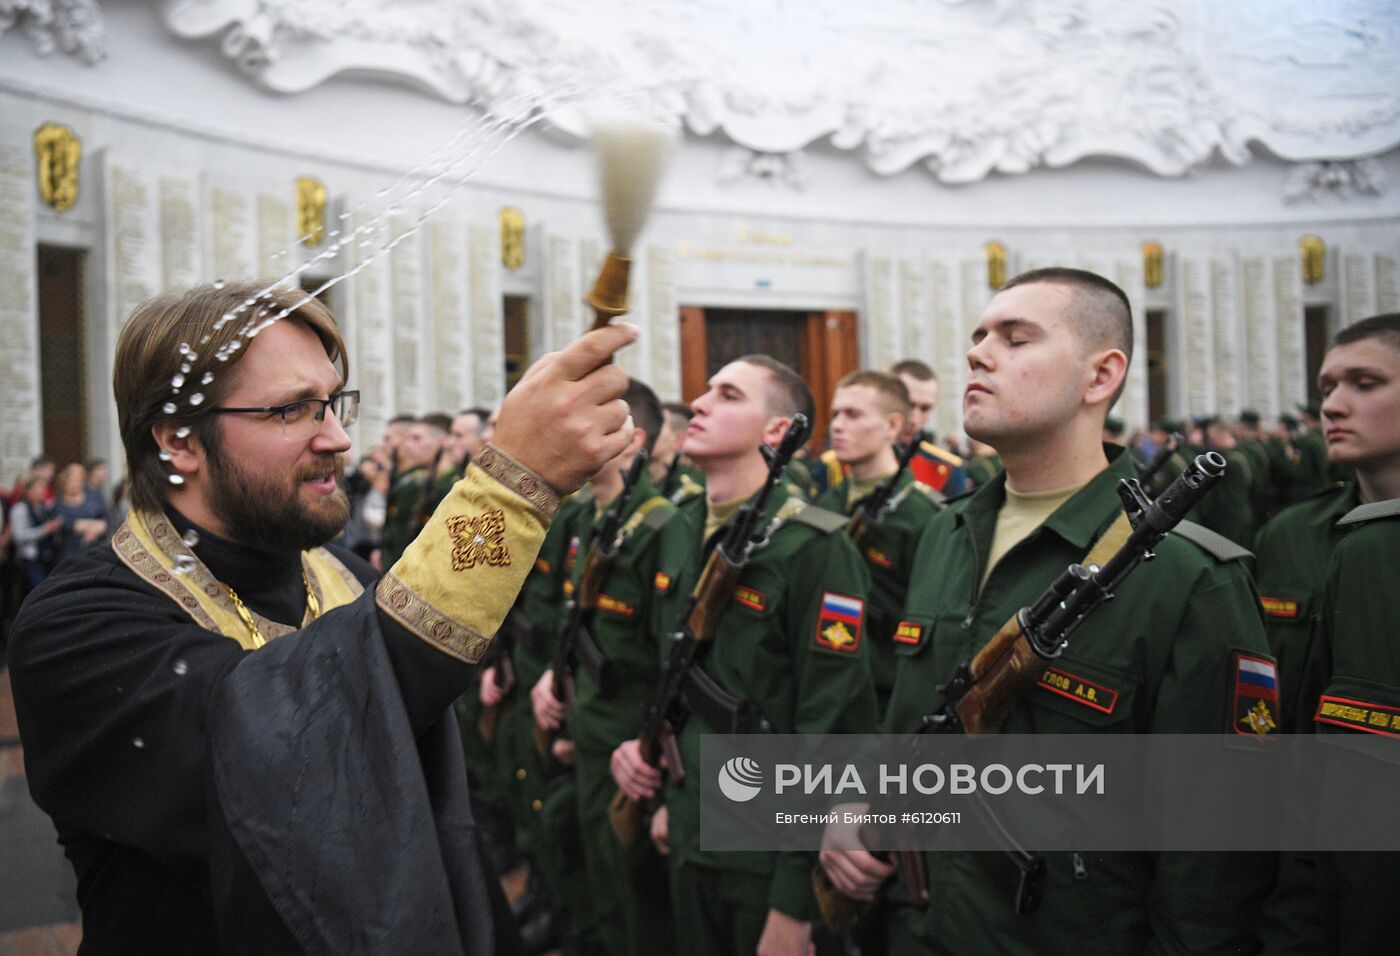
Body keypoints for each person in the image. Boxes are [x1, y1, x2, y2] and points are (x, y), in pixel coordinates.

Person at [8, 280, 637, 954]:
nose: (338, 438)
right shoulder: (77, 627)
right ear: (179, 440)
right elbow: (286, 758)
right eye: (293, 411)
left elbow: (434, 827)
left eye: (335, 404)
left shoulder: (351, 579)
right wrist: (509, 487)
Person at [821, 267, 1276, 954]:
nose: (978, 353)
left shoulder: (1189, 578)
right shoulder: (946, 535)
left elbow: (1212, 868)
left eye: (1016, 338)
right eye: (977, 337)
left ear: (1100, 377)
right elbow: (910, 721)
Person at [612, 354, 877, 956]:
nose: (701, 404)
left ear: (777, 432)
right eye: (705, 391)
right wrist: (655, 780)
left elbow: (833, 727)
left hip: (765, 848)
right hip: (687, 828)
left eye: (729, 395)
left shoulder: (815, 545)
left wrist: (793, 905)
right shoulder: (678, 528)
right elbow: (672, 676)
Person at [1255, 313, 1400, 953]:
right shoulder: (1290, 537)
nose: (1335, 405)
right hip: (1303, 868)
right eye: (1327, 388)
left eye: (1366, 383)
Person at [531, 378, 683, 956]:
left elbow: (669, 655)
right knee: (603, 881)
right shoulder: (593, 518)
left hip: (629, 741)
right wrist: (555, 679)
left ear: (632, 439)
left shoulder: (664, 524)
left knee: (637, 900)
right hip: (592, 726)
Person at [815, 370, 943, 714]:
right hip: (824, 687)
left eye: (853, 415)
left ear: (891, 426)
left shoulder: (924, 515)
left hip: (884, 696)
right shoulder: (826, 502)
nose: (837, 426)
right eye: (835, 415)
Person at [890, 360, 969, 495]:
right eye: (908, 405)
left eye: (925, 408)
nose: (914, 419)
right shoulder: (851, 457)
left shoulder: (948, 468)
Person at [381, 414, 449, 568]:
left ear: (442, 443)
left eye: (416, 438)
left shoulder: (446, 486)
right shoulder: (426, 481)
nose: (407, 445)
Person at [8, 474, 61, 594]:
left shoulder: (43, 508)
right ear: (28, 491)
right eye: (37, 488)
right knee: (39, 589)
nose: (41, 491)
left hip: (47, 555)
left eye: (43, 488)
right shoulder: (19, 509)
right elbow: (19, 536)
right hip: (30, 557)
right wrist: (45, 529)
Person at [53, 462, 110, 564]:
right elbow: (70, 525)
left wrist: (92, 530)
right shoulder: (58, 505)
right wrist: (93, 525)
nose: (75, 484)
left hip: (95, 550)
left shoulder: (94, 497)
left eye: (78, 481)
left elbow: (105, 522)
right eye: (71, 482)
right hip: (70, 552)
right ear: (63, 484)